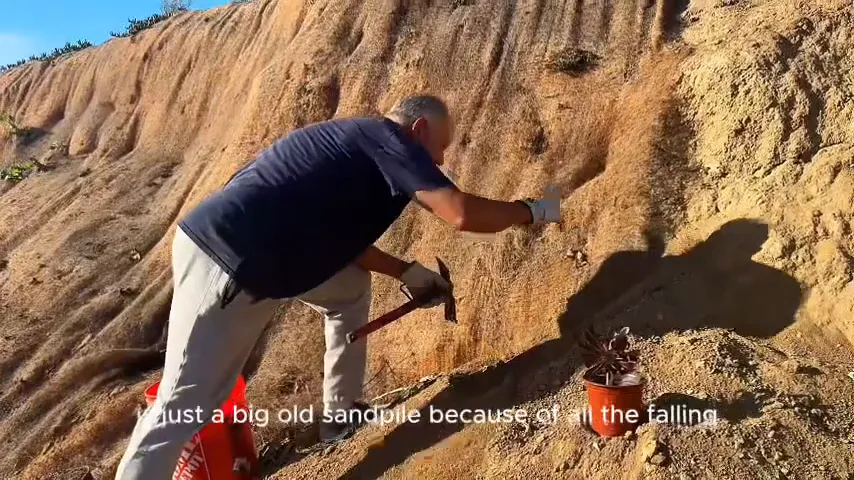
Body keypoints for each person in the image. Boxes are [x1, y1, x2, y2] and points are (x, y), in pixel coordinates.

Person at [115, 94, 560, 479]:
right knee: (185, 403)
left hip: (264, 253)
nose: (439, 162)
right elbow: (460, 214)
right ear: (419, 129)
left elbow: (338, 243)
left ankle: (340, 419)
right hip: (229, 258)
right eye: (440, 148)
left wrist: (405, 271)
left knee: (348, 290)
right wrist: (534, 210)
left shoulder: (357, 147)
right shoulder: (391, 141)